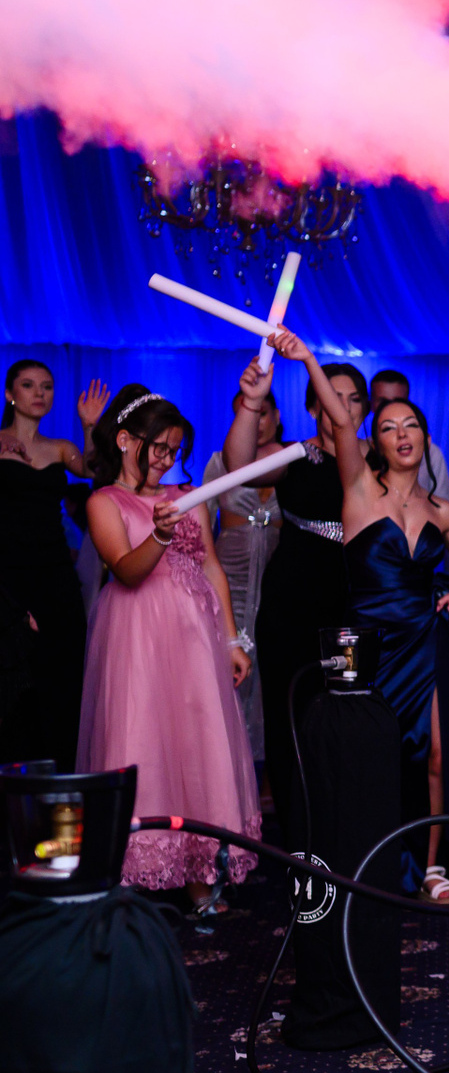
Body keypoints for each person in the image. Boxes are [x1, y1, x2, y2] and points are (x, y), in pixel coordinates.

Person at [273, 330, 449, 903]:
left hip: (430, 640)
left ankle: (434, 867)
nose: (402, 434)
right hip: (368, 646)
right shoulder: (359, 490)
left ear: (425, 437)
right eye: (389, 427)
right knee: (371, 758)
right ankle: (370, 864)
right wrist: (309, 360)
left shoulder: (443, 510)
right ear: (377, 440)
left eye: (411, 425)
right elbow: (342, 423)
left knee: (439, 755)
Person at [78, 385, 259, 915]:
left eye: (174, 450)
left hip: (194, 635)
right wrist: (158, 536)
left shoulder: (188, 496)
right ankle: (136, 873)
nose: (166, 459)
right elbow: (126, 571)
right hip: (137, 635)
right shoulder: (103, 502)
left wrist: (232, 638)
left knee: (197, 740)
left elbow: (211, 567)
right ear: (125, 440)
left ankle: (200, 874)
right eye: (158, 447)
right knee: (143, 738)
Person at [227, 355, 368, 832]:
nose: (342, 407)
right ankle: (297, 838)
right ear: (314, 407)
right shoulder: (294, 455)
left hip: (355, 602)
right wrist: (251, 403)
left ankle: (346, 831)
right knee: (291, 714)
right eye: (333, 397)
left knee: (348, 714)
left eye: (353, 399)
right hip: (292, 601)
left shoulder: (379, 457)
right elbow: (238, 468)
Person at [0, 361, 106, 768]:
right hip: (10, 579)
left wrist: (89, 426)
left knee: (61, 677)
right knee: (16, 684)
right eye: (28, 385)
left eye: (46, 386)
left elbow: (95, 470)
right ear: (10, 394)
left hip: (55, 576)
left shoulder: (61, 447)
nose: (39, 393)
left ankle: (62, 780)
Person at [204, 389, 283, 761]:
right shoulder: (220, 463)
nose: (257, 422)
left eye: (263, 413)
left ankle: (267, 772)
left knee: (272, 671)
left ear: (277, 416)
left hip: (277, 581)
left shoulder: (292, 460)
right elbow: (200, 526)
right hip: (229, 579)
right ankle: (222, 761)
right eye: (245, 414)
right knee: (224, 667)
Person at [369, 369, 449, 503]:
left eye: (399, 401)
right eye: (383, 401)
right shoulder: (360, 453)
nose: (391, 407)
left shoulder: (431, 453)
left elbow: (444, 501)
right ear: (370, 403)